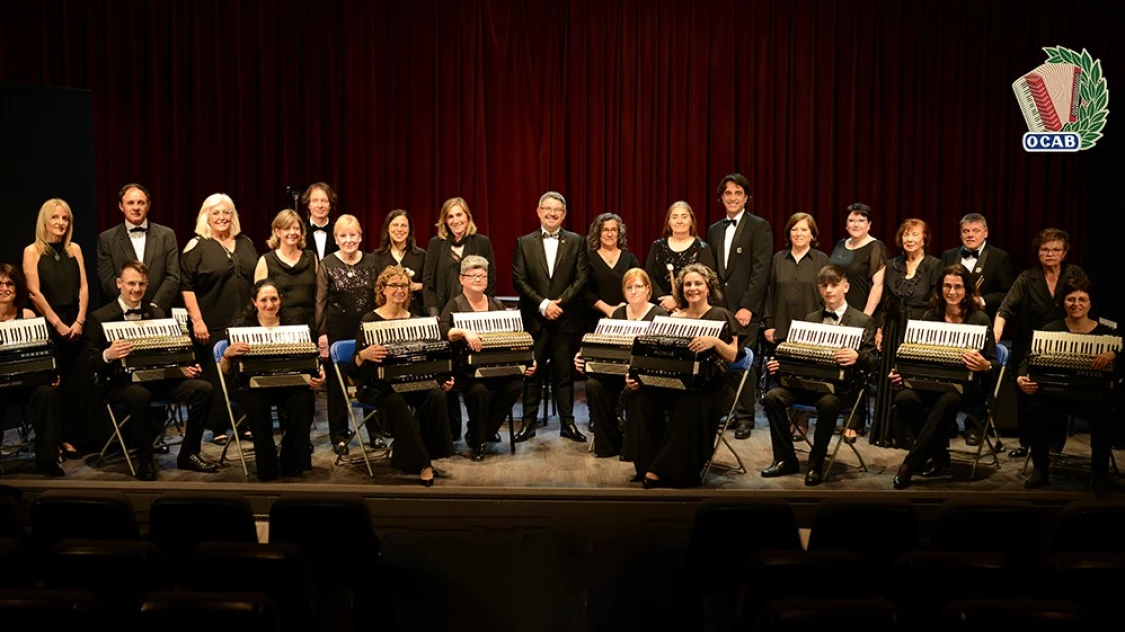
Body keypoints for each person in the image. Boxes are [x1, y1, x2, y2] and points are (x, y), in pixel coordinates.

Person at [87, 261, 218, 481]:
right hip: (119, 384)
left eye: (141, 284)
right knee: (141, 395)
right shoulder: (100, 317)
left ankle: (188, 454)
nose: (136, 289)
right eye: (131, 283)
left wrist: (182, 367)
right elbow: (90, 362)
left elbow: (168, 352)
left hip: (158, 380)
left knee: (202, 389)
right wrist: (108, 354)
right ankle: (145, 462)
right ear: (119, 283)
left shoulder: (155, 312)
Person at [625, 264, 744, 488]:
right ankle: (648, 466)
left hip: (709, 389)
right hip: (673, 384)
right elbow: (657, 354)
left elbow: (733, 355)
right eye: (688, 284)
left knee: (691, 403)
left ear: (709, 287)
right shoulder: (673, 317)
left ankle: (670, 471)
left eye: (698, 283)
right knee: (641, 398)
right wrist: (637, 377)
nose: (693, 288)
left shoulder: (721, 314)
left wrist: (715, 341)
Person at [760, 264, 877, 486]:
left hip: (841, 390)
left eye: (834, 285)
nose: (829, 291)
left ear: (846, 287)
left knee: (828, 403)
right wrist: (780, 366)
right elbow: (799, 355)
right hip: (806, 386)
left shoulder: (863, 321)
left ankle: (816, 463)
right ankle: (786, 459)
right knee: (773, 397)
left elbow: (872, 364)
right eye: (824, 286)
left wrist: (857, 356)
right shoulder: (811, 318)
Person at [889, 264, 997, 490]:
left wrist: (985, 365)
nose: (952, 291)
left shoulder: (979, 319)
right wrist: (901, 373)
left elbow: (993, 363)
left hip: (968, 389)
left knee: (949, 399)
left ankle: (910, 463)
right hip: (930, 385)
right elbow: (914, 355)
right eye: (947, 286)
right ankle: (938, 453)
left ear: (967, 291)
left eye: (958, 287)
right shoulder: (930, 317)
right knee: (904, 397)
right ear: (940, 289)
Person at [1016, 276, 1119, 493]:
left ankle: (1099, 474)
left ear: (1090, 303)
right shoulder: (1051, 329)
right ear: (1064, 303)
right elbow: (1028, 359)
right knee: (1036, 411)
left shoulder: (1107, 335)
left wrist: (1115, 355)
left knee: (1105, 416)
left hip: (1093, 398)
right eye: (1071, 299)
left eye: (1082, 299)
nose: (1077, 305)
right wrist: (1021, 376)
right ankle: (1040, 470)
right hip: (1055, 395)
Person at [355, 265, 454, 486]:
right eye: (394, 285)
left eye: (404, 286)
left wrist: (442, 378)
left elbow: (429, 358)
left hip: (412, 382)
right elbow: (354, 367)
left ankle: (424, 455)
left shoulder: (416, 319)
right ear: (383, 290)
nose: (399, 290)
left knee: (436, 395)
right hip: (377, 388)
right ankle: (423, 464)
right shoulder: (369, 320)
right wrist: (364, 354)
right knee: (396, 402)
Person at [219, 279, 325, 481]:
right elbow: (226, 372)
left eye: (274, 299)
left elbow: (311, 361)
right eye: (264, 300)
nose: (270, 305)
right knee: (257, 405)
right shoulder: (241, 327)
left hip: (288, 382)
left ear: (281, 300)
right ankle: (267, 466)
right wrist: (227, 354)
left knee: (303, 400)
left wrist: (320, 376)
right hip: (252, 386)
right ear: (254, 302)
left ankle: (290, 460)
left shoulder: (294, 326)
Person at [994, 228, 1086, 458]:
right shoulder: (1027, 277)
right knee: (1026, 395)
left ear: (1065, 253)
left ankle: (1055, 444)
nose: (1050, 254)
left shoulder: (1075, 274)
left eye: (1056, 249)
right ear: (1038, 252)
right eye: (1045, 249)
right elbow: (1006, 307)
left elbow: (1086, 304)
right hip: (1029, 344)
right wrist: (997, 330)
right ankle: (1026, 443)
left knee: (1058, 394)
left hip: (1065, 346)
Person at [439, 256, 536, 461]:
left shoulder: (496, 304)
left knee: (516, 385)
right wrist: (464, 332)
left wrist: (527, 360)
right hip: (466, 371)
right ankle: (479, 441)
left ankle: (480, 431)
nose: (478, 279)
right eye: (473, 275)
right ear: (462, 279)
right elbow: (443, 331)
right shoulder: (455, 304)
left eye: (482, 275)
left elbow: (513, 336)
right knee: (479, 391)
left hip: (497, 367)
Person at [512, 191, 590, 443]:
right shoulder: (523, 242)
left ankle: (568, 424)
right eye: (547, 208)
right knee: (531, 373)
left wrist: (559, 303)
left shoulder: (577, 241)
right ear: (538, 211)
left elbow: (581, 278)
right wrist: (544, 304)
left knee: (564, 375)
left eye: (557, 209)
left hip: (565, 318)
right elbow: (519, 280)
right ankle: (528, 424)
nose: (552, 213)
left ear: (564, 214)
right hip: (534, 319)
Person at [22, 198, 97, 459]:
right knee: (52, 385)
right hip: (49, 322)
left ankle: (73, 437)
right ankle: (51, 441)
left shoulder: (74, 248)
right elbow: (34, 292)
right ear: (44, 221)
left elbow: (84, 287)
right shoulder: (32, 251)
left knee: (78, 382)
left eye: (65, 218)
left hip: (75, 321)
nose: (61, 223)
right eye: (55, 218)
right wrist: (57, 323)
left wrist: (79, 320)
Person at [181, 193, 258, 446]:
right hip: (212, 324)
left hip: (245, 324)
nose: (222, 217)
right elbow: (187, 286)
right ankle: (218, 426)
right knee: (217, 377)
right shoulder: (197, 246)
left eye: (226, 212)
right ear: (206, 216)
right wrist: (197, 320)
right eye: (216, 213)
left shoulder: (245, 242)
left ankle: (244, 423)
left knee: (244, 374)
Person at [422, 197, 497, 441]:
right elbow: (428, 283)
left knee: (478, 376)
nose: (456, 220)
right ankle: (452, 429)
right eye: (450, 216)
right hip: (444, 317)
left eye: (460, 215)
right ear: (444, 220)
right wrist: (435, 313)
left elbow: (490, 280)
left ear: (468, 217)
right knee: (449, 373)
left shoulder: (482, 242)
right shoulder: (436, 244)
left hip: (475, 317)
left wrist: (483, 314)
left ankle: (481, 427)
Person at [706, 174, 772, 443]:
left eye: (738, 193)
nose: (732, 197)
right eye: (728, 193)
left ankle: (745, 417)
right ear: (721, 197)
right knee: (722, 360)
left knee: (744, 361)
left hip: (745, 310)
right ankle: (730, 410)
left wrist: (748, 306)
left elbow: (761, 270)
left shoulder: (759, 226)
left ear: (746, 198)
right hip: (720, 309)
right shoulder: (714, 229)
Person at [575, 267, 667, 459]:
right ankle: (609, 444)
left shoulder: (660, 315)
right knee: (594, 385)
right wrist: (583, 357)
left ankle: (632, 446)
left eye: (638, 286)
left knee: (631, 388)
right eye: (629, 287)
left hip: (646, 378)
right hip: (615, 372)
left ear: (648, 289)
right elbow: (602, 347)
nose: (634, 291)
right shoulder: (618, 314)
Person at [870, 218, 943, 448]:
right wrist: (881, 328)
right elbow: (887, 300)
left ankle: (915, 435)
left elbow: (937, 302)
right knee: (891, 378)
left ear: (924, 239)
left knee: (913, 381)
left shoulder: (934, 265)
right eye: (905, 235)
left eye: (915, 235)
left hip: (921, 329)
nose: (909, 239)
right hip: (894, 328)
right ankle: (888, 433)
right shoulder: (891, 265)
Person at [760, 213, 831, 441]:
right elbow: (768, 294)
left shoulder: (821, 260)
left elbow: (827, 296)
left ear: (813, 234)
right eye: (794, 230)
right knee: (784, 377)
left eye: (803, 230)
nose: (798, 234)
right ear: (788, 234)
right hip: (782, 328)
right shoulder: (778, 259)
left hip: (812, 332)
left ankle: (802, 422)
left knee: (806, 376)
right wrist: (769, 324)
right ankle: (788, 422)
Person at [315, 214, 379, 455]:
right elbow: (320, 301)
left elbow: (378, 298)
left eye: (353, 235)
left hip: (367, 330)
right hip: (337, 333)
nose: (349, 240)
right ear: (336, 238)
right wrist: (322, 334)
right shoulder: (327, 264)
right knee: (337, 386)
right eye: (343, 235)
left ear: (360, 236)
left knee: (371, 380)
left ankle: (375, 433)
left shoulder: (372, 261)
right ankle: (339, 436)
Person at [828, 203, 887, 441]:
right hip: (837, 312)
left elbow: (878, 285)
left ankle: (854, 421)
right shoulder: (841, 245)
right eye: (852, 220)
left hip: (861, 315)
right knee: (838, 364)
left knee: (856, 367)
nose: (856, 224)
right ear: (846, 223)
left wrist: (865, 318)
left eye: (862, 220)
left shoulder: (875, 247)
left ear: (869, 224)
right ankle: (834, 413)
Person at [0, 263, 64, 477]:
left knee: (46, 393)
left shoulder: (27, 315)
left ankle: (47, 461)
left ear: (17, 289)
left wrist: (51, 373)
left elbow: (44, 349)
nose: (4, 288)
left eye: (9, 283)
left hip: (28, 383)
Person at [96, 183, 181, 311]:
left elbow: (173, 277)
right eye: (130, 203)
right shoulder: (107, 239)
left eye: (141, 203)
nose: (136, 207)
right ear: (121, 206)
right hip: (122, 314)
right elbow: (108, 280)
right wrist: (129, 306)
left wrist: (155, 306)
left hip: (158, 312)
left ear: (148, 206)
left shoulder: (167, 235)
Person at [644, 201, 716, 314]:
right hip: (662, 308)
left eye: (684, 216)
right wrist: (664, 300)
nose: (679, 221)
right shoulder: (657, 246)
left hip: (693, 310)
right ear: (668, 222)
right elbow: (649, 276)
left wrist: (678, 301)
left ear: (691, 221)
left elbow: (707, 281)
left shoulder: (702, 249)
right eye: (674, 217)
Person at [254, 209, 319, 332]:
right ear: (277, 232)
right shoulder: (265, 261)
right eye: (287, 229)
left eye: (296, 228)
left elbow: (319, 296)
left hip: (310, 327)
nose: (292, 232)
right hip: (278, 329)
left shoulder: (311, 258)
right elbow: (260, 301)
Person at [583, 213, 641, 329]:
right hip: (593, 320)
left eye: (614, 230)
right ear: (598, 232)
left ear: (619, 233)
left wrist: (619, 311)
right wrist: (608, 310)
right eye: (605, 230)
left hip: (626, 319)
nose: (609, 234)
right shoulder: (586, 258)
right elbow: (583, 290)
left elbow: (638, 285)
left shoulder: (630, 258)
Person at [372, 209, 426, 317]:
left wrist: (416, 286)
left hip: (415, 314)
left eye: (404, 225)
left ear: (409, 229)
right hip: (386, 316)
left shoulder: (421, 255)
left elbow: (430, 286)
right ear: (388, 228)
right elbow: (374, 287)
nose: (399, 229)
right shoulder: (377, 257)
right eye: (395, 225)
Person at [304, 182, 339, 260]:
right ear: (308, 205)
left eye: (324, 201)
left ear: (330, 205)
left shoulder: (339, 231)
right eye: (315, 200)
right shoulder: (299, 231)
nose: (320, 205)